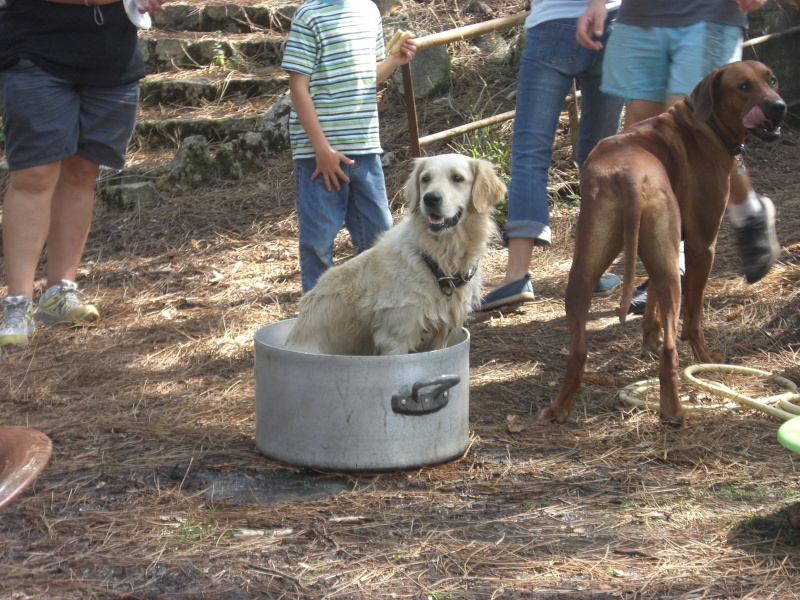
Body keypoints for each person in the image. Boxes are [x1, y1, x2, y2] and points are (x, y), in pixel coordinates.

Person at [577, 0, 780, 314]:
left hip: (708, 13)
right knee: (644, 147)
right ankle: (749, 211)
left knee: (694, 135)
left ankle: (674, 267)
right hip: (640, 16)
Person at [0, 0, 172, 348]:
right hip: (34, 46)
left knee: (82, 170)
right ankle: (17, 303)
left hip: (111, 50)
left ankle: (59, 294)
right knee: (33, 174)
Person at [479, 0, 625, 312]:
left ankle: (516, 275)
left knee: (529, 155)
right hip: (614, 23)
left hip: (554, 24)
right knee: (600, 158)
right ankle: (592, 270)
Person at [281, 0, 416, 293]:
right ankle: (318, 322)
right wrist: (321, 149)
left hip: (364, 146)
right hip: (319, 155)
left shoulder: (368, 10)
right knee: (319, 241)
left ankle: (370, 312)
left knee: (379, 235)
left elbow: (370, 76)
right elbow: (298, 88)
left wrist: (394, 60)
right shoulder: (309, 15)